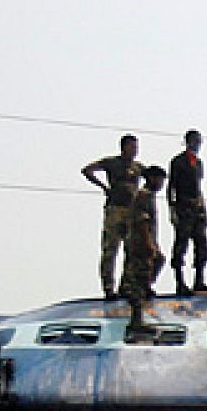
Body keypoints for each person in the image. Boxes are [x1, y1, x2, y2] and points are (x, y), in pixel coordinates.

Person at [82, 134, 143, 299]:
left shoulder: (138, 167)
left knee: (131, 250)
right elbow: (87, 170)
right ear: (123, 147)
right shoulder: (112, 162)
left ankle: (126, 286)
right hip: (115, 209)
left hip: (132, 211)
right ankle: (109, 287)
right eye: (131, 147)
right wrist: (103, 186)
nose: (134, 150)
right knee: (111, 249)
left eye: (136, 147)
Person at [120, 167, 168, 331]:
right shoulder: (144, 196)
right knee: (139, 279)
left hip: (145, 242)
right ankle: (136, 320)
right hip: (140, 244)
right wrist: (149, 244)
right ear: (152, 179)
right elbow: (142, 222)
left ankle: (139, 290)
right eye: (160, 180)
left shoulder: (148, 196)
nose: (161, 184)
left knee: (158, 261)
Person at [166, 130, 207, 296]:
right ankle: (180, 282)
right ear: (187, 142)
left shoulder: (199, 163)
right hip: (183, 207)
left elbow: (199, 189)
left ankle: (199, 280)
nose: (197, 145)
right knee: (181, 245)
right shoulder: (178, 162)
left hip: (197, 209)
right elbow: (171, 187)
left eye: (199, 141)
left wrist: (204, 210)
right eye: (194, 141)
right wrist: (172, 210)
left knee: (202, 244)